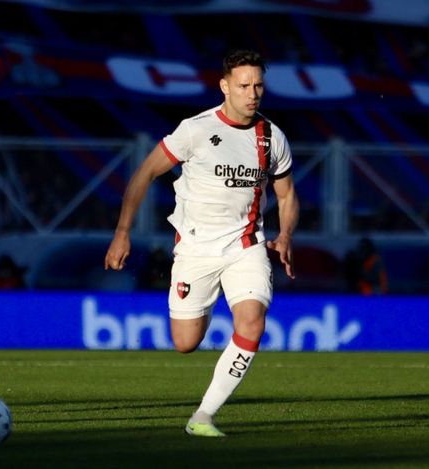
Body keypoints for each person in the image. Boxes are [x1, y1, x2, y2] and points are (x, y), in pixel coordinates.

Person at [104, 49, 299, 437]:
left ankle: (204, 416)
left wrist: (286, 235)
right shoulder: (195, 130)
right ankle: (203, 306)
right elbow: (143, 174)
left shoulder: (271, 137)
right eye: (244, 85)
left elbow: (288, 195)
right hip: (195, 249)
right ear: (225, 86)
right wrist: (122, 232)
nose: (253, 93)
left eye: (258, 85)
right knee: (185, 342)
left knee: (252, 323)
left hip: (246, 245)